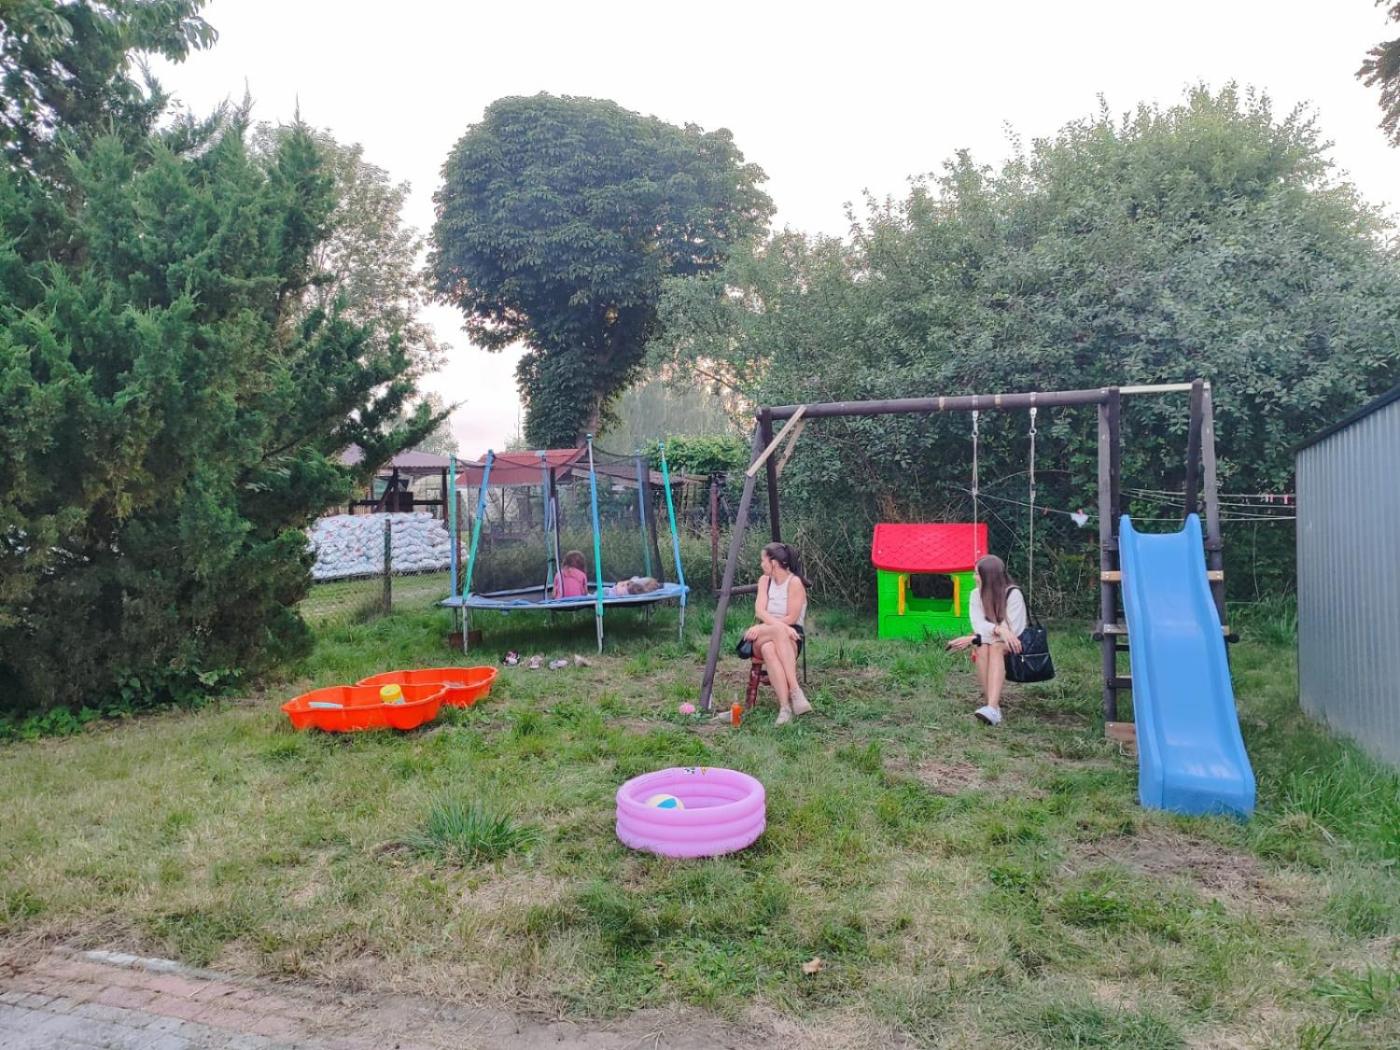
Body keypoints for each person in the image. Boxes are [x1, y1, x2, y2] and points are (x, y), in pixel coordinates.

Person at [946, 554, 1026, 726]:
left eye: (977, 573)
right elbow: (979, 625)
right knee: (982, 645)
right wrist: (995, 630)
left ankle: (992, 707)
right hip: (991, 638)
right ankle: (993, 707)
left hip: (1017, 642)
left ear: (989, 577)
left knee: (995, 646)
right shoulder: (975, 595)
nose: (973, 577)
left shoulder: (1013, 594)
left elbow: (1013, 631)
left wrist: (975, 637)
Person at [742, 542, 810, 725]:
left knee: (769, 649)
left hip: (791, 635)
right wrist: (776, 628)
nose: (761, 564)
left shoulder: (795, 583)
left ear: (773, 562)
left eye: (762, 560)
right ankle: (795, 691)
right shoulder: (764, 581)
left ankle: (785, 709)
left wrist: (776, 628)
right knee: (776, 632)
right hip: (767, 632)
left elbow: (792, 617)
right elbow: (760, 611)